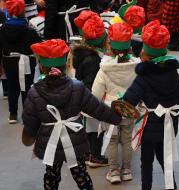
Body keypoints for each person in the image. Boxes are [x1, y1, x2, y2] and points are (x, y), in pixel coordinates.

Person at [22, 39, 123, 190]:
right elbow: (97, 108)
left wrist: (29, 135)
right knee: (80, 173)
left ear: (41, 66)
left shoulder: (34, 91)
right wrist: (116, 117)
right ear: (66, 65)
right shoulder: (77, 87)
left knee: (51, 174)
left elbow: (30, 119)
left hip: (50, 141)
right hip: (75, 139)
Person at [122, 20, 179, 190]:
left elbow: (128, 101)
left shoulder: (143, 77)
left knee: (146, 162)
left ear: (145, 54)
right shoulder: (174, 74)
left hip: (148, 127)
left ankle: (146, 187)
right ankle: (171, 186)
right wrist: (173, 116)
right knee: (166, 158)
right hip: (168, 125)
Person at [92, 22, 140, 183]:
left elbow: (96, 94)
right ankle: (126, 170)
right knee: (127, 139)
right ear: (130, 47)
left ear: (110, 47)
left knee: (111, 140)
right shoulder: (137, 67)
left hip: (109, 111)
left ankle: (113, 171)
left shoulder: (104, 69)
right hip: (130, 109)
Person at [70, 11, 109, 167]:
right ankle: (94, 156)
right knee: (95, 128)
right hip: (92, 98)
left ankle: (88, 153)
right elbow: (93, 84)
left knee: (89, 128)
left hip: (83, 96)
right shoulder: (93, 60)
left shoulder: (83, 53)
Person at [0, 0, 41, 123]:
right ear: (23, 11)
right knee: (27, 88)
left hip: (9, 62)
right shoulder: (30, 29)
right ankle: (27, 115)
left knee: (12, 88)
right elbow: (38, 46)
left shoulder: (2, 29)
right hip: (27, 61)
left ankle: (13, 114)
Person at [44, 0, 112, 40]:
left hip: (65, 27)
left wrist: (47, 37)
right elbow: (94, 5)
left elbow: (50, 13)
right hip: (85, 20)